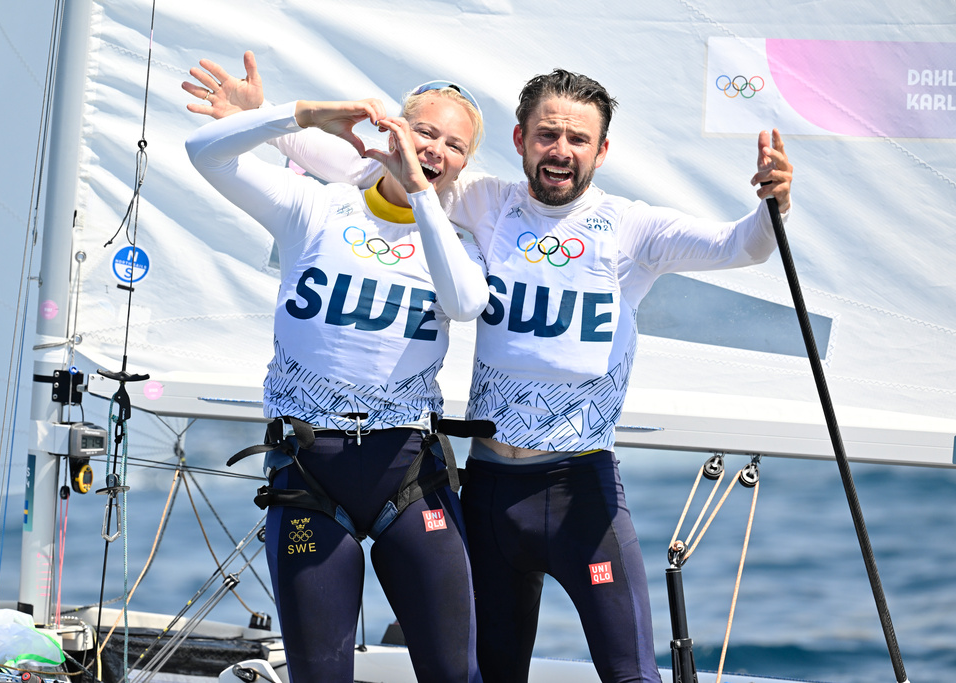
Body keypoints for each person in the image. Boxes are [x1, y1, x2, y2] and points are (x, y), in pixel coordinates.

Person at [190, 58, 793, 683]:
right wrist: (266, 122)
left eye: (578, 139)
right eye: (547, 135)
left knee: (632, 675)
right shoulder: (484, 203)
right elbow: (379, 161)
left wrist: (771, 204)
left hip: (582, 488)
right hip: (488, 489)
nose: (561, 151)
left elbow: (740, 247)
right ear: (520, 141)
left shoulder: (631, 227)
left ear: (602, 149)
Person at [184, 57, 490, 682]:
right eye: (423, 132)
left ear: (464, 164)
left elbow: (464, 303)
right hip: (309, 472)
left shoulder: (460, 239)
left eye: (453, 146)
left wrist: (423, 197)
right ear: (392, 130)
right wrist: (302, 117)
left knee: (454, 675)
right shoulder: (316, 208)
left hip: (408, 471)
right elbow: (204, 151)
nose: (433, 149)